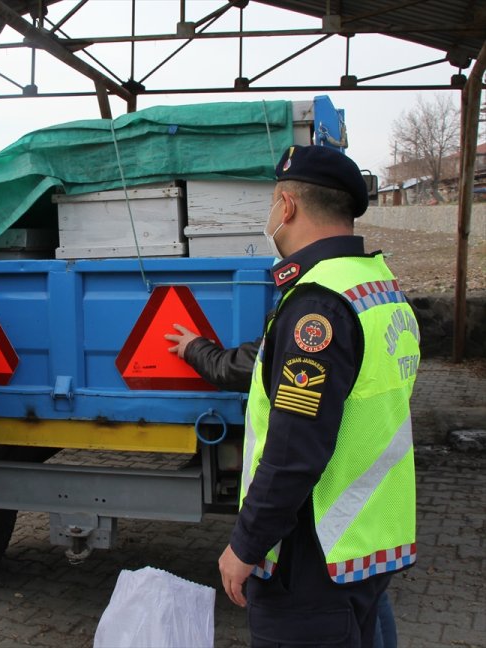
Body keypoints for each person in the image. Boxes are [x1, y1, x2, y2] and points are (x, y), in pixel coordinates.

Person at [166, 145, 419, 646]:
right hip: (369, 541)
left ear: (286, 206)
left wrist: (246, 545)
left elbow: (293, 452)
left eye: (271, 205)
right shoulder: (377, 286)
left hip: (312, 556)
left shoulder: (317, 306)